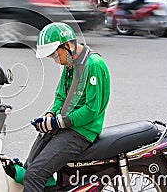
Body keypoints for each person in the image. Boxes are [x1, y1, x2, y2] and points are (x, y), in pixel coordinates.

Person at [7, 22, 110, 192]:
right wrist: (51, 114)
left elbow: (91, 110)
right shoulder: (70, 64)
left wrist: (60, 123)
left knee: (34, 176)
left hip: (82, 131)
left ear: (68, 45)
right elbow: (61, 96)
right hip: (66, 125)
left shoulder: (93, 65)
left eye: (56, 55)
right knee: (28, 167)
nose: (57, 61)